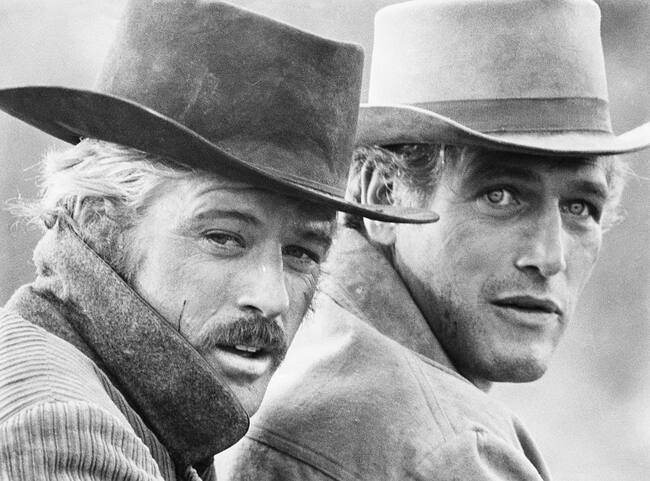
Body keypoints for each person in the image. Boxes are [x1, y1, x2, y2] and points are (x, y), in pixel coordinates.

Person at [0, 1, 436, 480]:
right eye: (224, 237)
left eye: (301, 252)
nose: (272, 298)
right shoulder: (63, 432)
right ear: (98, 216)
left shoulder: (139, 414)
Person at [217, 0, 650, 480]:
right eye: (501, 196)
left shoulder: (294, 346)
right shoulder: (451, 451)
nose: (549, 257)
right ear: (384, 196)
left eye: (580, 208)